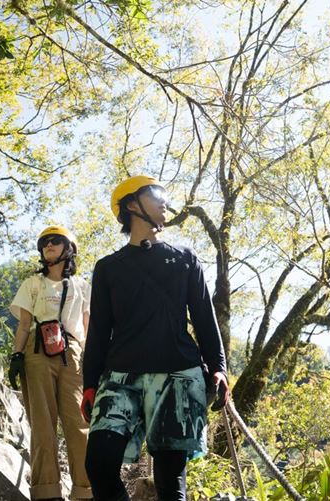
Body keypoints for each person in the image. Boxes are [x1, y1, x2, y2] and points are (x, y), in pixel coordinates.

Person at [81, 175, 229, 501]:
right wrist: (90, 383)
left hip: (178, 375)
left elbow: (204, 319)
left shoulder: (185, 259)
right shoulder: (108, 268)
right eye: (156, 193)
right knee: (99, 465)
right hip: (120, 377)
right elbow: (99, 331)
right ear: (132, 204)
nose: (165, 200)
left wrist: (218, 368)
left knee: (169, 481)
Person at [8, 225, 92, 501]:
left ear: (69, 248)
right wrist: (16, 356)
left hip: (73, 354)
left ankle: (85, 490)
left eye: (55, 241)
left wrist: (94, 365)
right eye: (44, 243)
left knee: (78, 423)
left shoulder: (82, 286)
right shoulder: (33, 283)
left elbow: (88, 327)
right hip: (36, 351)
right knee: (42, 424)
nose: (48, 246)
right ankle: (46, 491)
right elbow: (23, 325)